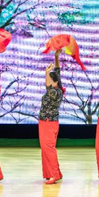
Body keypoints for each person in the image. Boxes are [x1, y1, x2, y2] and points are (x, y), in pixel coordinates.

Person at [38, 50, 63, 184]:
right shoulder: (53, 89)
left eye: (49, 79)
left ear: (55, 82)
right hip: (44, 121)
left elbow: (48, 87)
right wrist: (56, 57)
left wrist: (46, 73)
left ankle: (54, 174)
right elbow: (57, 71)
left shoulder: (56, 92)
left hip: (49, 122)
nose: (47, 81)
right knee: (45, 148)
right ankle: (53, 172)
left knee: (49, 148)